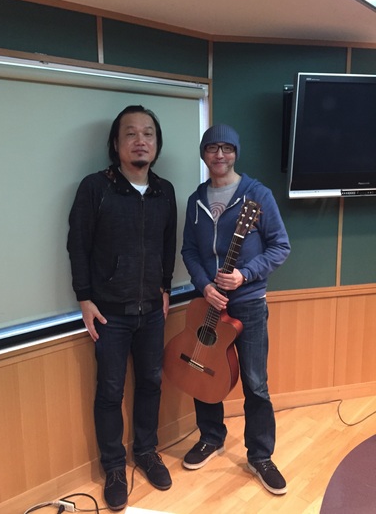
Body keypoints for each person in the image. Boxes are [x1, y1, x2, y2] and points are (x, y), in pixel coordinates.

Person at [67, 105, 177, 511]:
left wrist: (165, 286)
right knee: (110, 391)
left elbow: (168, 243)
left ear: (157, 143)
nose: (140, 140)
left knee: (151, 383)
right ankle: (114, 466)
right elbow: (77, 245)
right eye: (130, 133)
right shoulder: (96, 187)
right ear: (116, 144)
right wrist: (84, 298)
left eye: (148, 133)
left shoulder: (164, 191)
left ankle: (146, 451)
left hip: (151, 311)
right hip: (109, 314)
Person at [181, 124, 290, 495]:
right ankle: (211, 437)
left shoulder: (257, 195)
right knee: (202, 370)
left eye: (227, 148)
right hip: (209, 303)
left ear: (236, 153)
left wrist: (245, 274)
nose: (220, 155)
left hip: (249, 305)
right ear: (204, 153)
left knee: (255, 383)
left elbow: (280, 246)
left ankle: (260, 455)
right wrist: (205, 286)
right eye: (212, 148)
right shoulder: (196, 199)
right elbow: (189, 251)